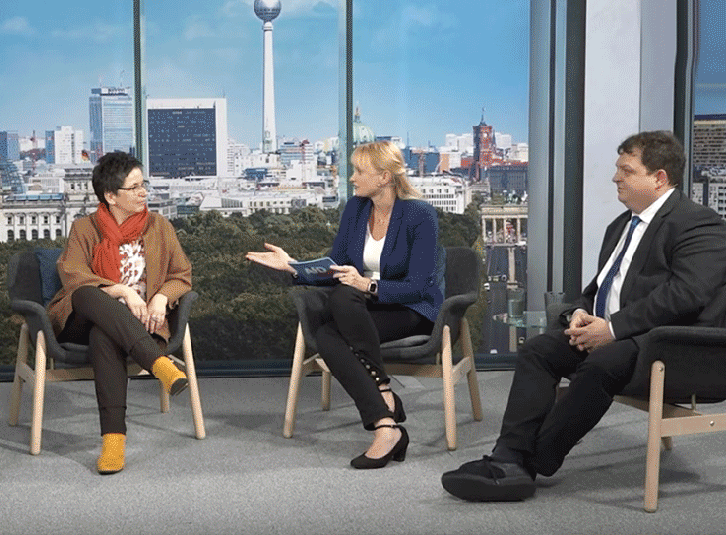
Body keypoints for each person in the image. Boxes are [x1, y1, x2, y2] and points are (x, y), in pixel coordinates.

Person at [442, 130, 726, 502]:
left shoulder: (698, 224)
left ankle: (531, 460)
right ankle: (509, 456)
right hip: (617, 336)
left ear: (658, 178)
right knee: (538, 351)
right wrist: (579, 312)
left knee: (602, 364)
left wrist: (612, 328)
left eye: (626, 169)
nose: (615, 177)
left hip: (669, 346)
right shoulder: (623, 225)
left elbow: (687, 295)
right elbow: (599, 288)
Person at [246, 140, 444, 469]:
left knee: (329, 330)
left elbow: (419, 285)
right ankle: (385, 421)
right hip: (360, 306)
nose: (352, 178)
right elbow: (336, 265)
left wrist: (369, 284)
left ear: (383, 177)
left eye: (359, 171)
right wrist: (294, 266)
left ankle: (384, 408)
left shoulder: (419, 216)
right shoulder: (355, 209)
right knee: (337, 308)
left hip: (410, 309)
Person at [46, 151, 192, 475]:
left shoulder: (159, 227)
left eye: (144, 185)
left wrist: (159, 300)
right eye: (135, 187)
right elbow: (72, 275)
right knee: (88, 295)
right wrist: (123, 291)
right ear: (111, 196)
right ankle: (159, 364)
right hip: (81, 319)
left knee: (105, 334)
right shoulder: (84, 227)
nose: (144, 193)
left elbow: (181, 275)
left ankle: (113, 440)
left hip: (141, 322)